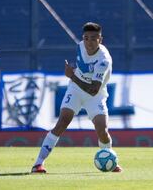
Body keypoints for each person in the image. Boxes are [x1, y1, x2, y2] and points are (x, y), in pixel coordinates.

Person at [31, 22, 123, 173]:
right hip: (75, 90)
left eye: (94, 39)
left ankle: (110, 159)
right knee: (61, 123)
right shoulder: (80, 45)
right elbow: (83, 66)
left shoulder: (103, 60)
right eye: (86, 38)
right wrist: (74, 74)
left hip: (95, 94)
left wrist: (72, 76)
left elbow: (93, 90)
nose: (89, 42)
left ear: (100, 39)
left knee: (102, 130)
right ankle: (38, 164)